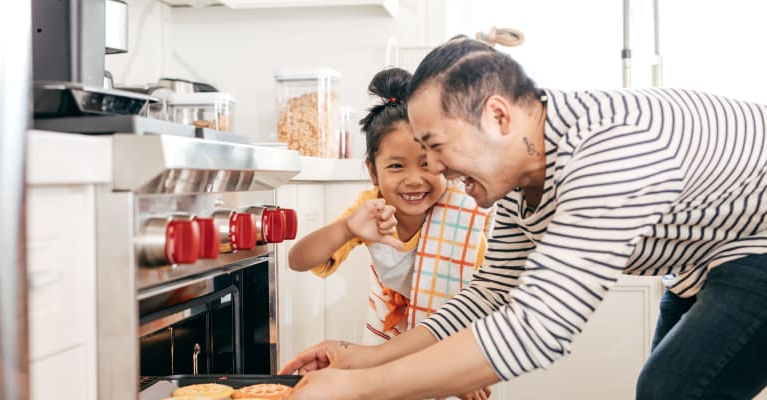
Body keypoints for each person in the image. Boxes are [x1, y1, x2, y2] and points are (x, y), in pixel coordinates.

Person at [279, 36, 767, 400]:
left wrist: (359, 389)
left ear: (497, 118)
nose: (437, 169)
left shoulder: (610, 151)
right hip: (705, 259)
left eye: (438, 147)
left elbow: (539, 328)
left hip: (757, 243)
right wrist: (365, 358)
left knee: (670, 389)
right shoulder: (518, 181)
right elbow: (493, 293)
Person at [287, 67, 492, 387]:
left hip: (459, 349)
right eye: (396, 166)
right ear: (372, 170)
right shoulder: (371, 209)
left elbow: (482, 299)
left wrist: (464, 371)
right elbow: (298, 260)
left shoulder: (465, 209)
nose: (413, 179)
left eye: (426, 164)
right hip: (384, 348)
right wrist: (347, 230)